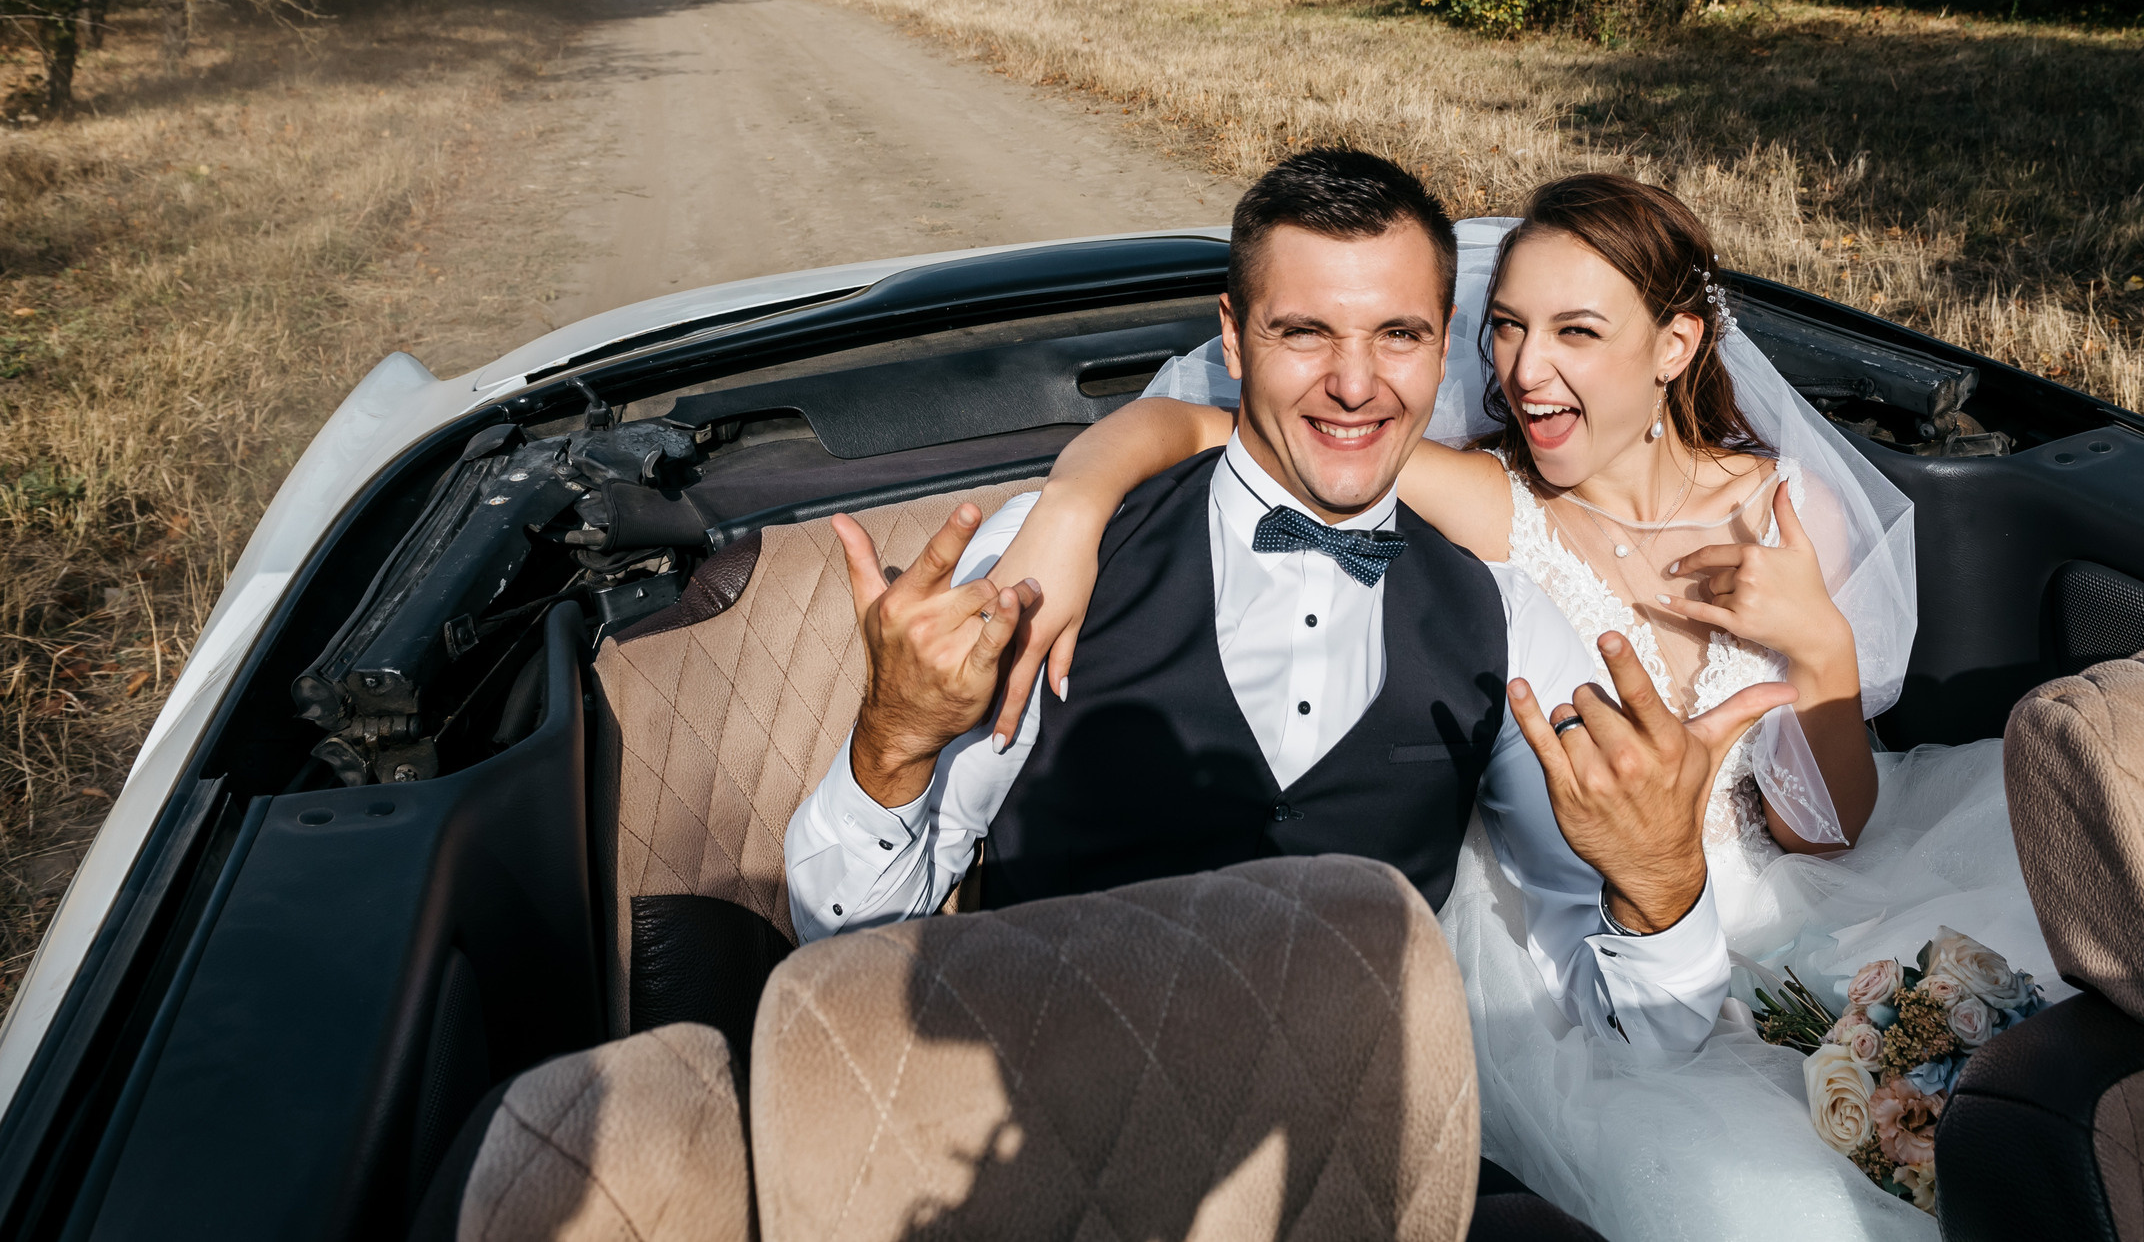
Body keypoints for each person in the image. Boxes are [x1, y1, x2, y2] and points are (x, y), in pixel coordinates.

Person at [989, 171, 2059, 1241]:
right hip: (1571, 940)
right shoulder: (1496, 498)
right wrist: (1073, 508)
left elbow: (1820, 830)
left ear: (1674, 345)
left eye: (1575, 332)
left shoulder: (1784, 506)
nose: (1523, 370)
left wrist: (1815, 642)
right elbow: (1218, 430)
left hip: (1783, 903)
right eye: (1505, 327)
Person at [784, 150, 1793, 1080]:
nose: (1354, 384)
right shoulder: (1056, 555)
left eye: (1397, 334)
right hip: (1045, 1124)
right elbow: (846, 941)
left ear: (1443, 344)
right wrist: (893, 738)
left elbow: (1643, 1027)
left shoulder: (1507, 618)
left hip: (1349, 1157)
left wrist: (1661, 881)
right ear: (1232, 334)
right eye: (1303, 331)